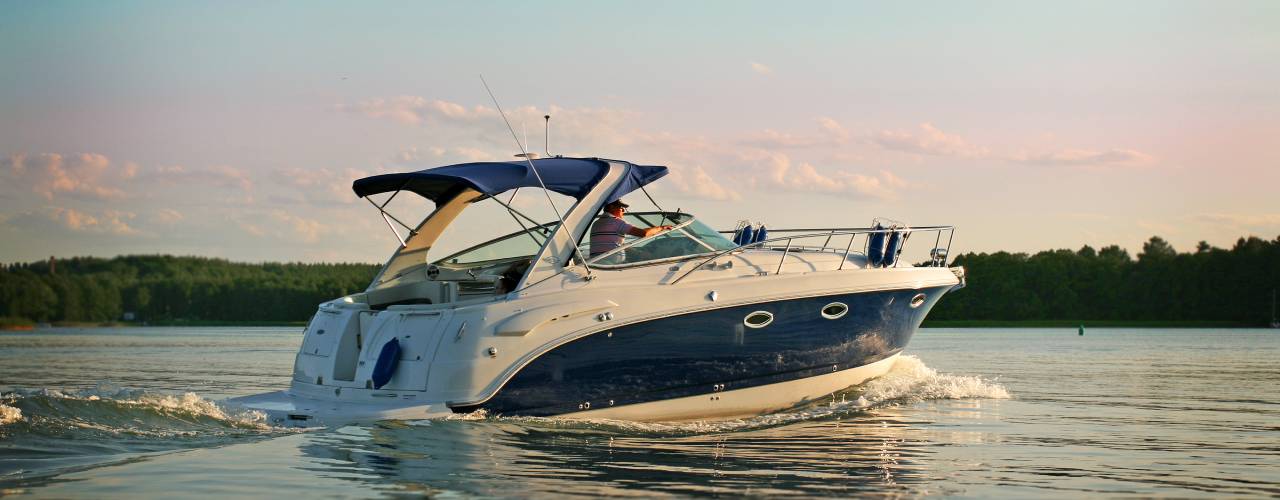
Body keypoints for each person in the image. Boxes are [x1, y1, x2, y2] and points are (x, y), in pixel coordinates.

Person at [589, 199, 672, 259]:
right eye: (621, 208)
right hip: (611, 264)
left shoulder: (597, 223)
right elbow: (643, 233)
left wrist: (639, 253)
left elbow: (615, 245)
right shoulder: (616, 222)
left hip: (597, 261)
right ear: (612, 207)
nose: (623, 211)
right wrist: (662, 228)